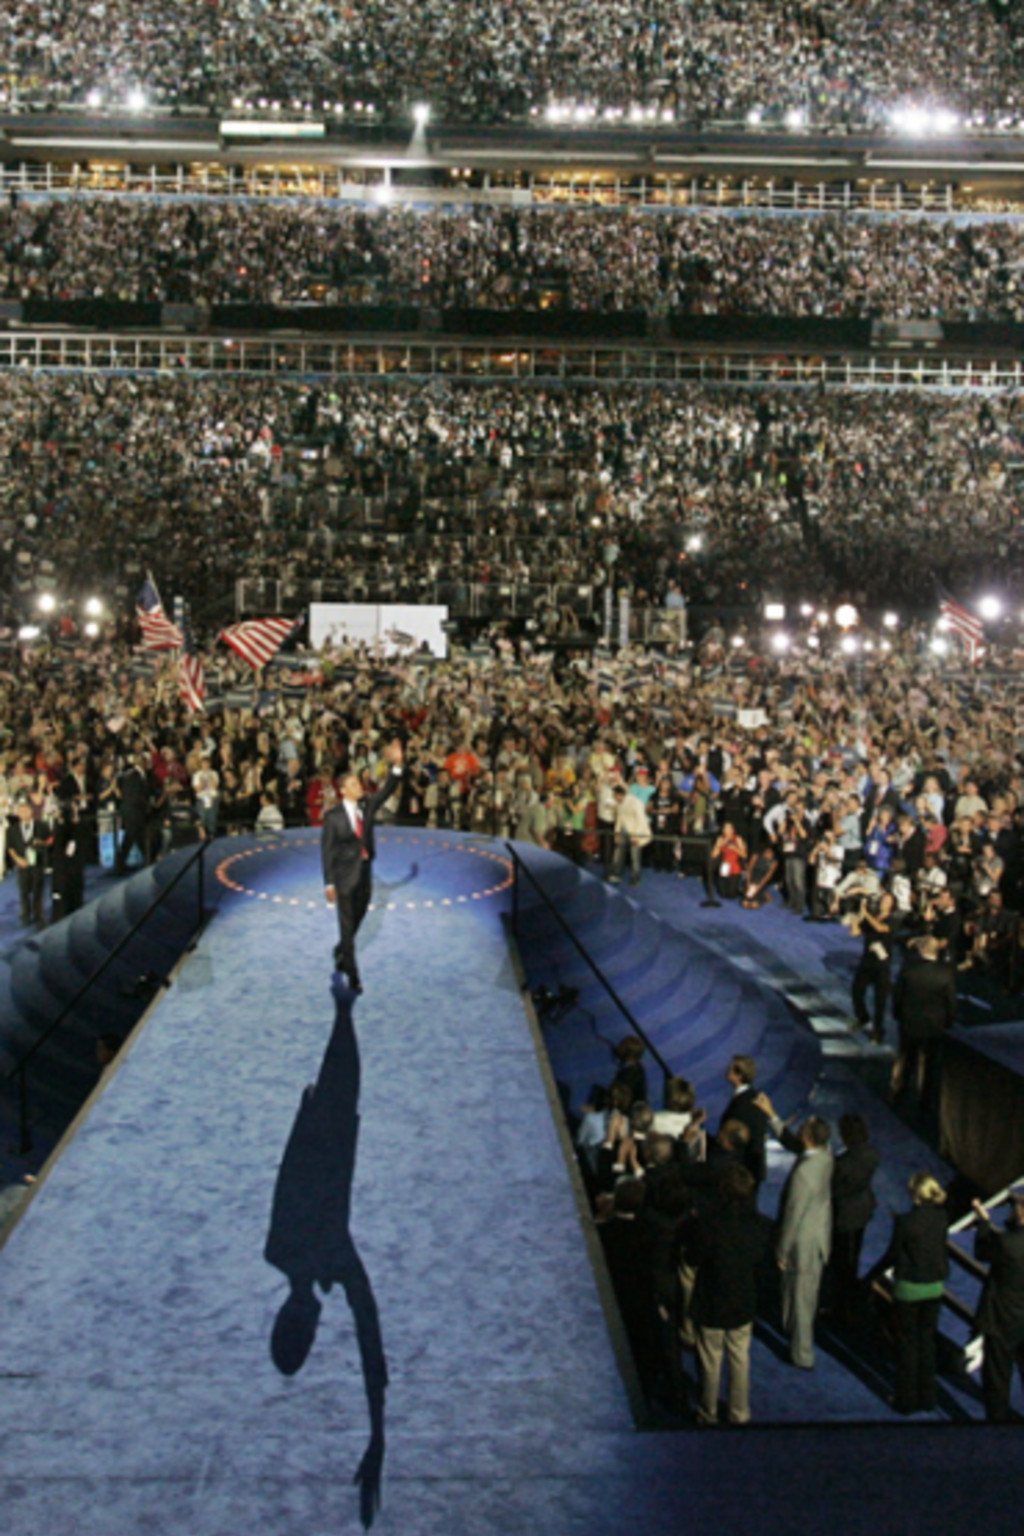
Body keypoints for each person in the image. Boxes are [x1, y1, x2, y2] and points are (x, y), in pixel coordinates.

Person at [688, 1163, 770, 1426]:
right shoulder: (760, 1225)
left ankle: (707, 1413)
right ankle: (739, 1413)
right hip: (742, 1299)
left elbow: (693, 1257)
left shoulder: (709, 1223)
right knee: (740, 1357)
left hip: (711, 1299)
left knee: (710, 1360)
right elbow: (761, 1263)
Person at [321, 739, 404, 992]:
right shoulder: (332, 817)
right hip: (344, 877)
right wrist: (329, 883)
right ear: (343, 791)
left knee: (358, 917)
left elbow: (388, 788)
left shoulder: (367, 806)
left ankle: (340, 949)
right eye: (355, 784)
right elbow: (327, 851)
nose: (360, 787)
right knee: (346, 926)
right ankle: (352, 973)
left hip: (365, 873)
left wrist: (397, 764)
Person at [759, 1101, 833, 1369]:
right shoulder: (825, 1155)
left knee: (801, 1299)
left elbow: (793, 1216)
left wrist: (781, 1251)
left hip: (801, 1243)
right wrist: (773, 1116)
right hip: (818, 1238)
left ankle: (803, 1355)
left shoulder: (803, 1174)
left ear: (807, 1137)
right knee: (802, 1295)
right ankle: (793, 1335)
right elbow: (794, 1144)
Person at [885, 1172, 949, 1415]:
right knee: (927, 1343)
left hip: (909, 1289)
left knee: (907, 1346)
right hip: (934, 1287)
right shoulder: (941, 1218)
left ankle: (907, 1400)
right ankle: (928, 1397)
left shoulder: (905, 1222)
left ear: (915, 1194)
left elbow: (893, 1254)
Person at [971, 1191, 1024, 1423]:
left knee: (997, 1380)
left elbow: (983, 1251)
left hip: (1001, 1320)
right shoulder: (1008, 1242)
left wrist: (984, 1222)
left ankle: (997, 1427)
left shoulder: (1007, 1243)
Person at [890, 936, 957, 1110]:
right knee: (928, 1063)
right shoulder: (945, 973)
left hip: (909, 1023)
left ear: (921, 950)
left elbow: (898, 997)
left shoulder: (908, 971)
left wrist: (898, 1016)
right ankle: (924, 1100)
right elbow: (950, 1002)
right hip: (934, 1026)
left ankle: (899, 1092)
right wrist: (948, 1022)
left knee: (906, 1059)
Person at [828, 1113, 879, 1327]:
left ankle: (842, 1305)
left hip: (845, 1215)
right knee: (852, 1256)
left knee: (842, 1262)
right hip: (863, 1210)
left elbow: (835, 1191)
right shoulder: (872, 1154)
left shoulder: (842, 1164)